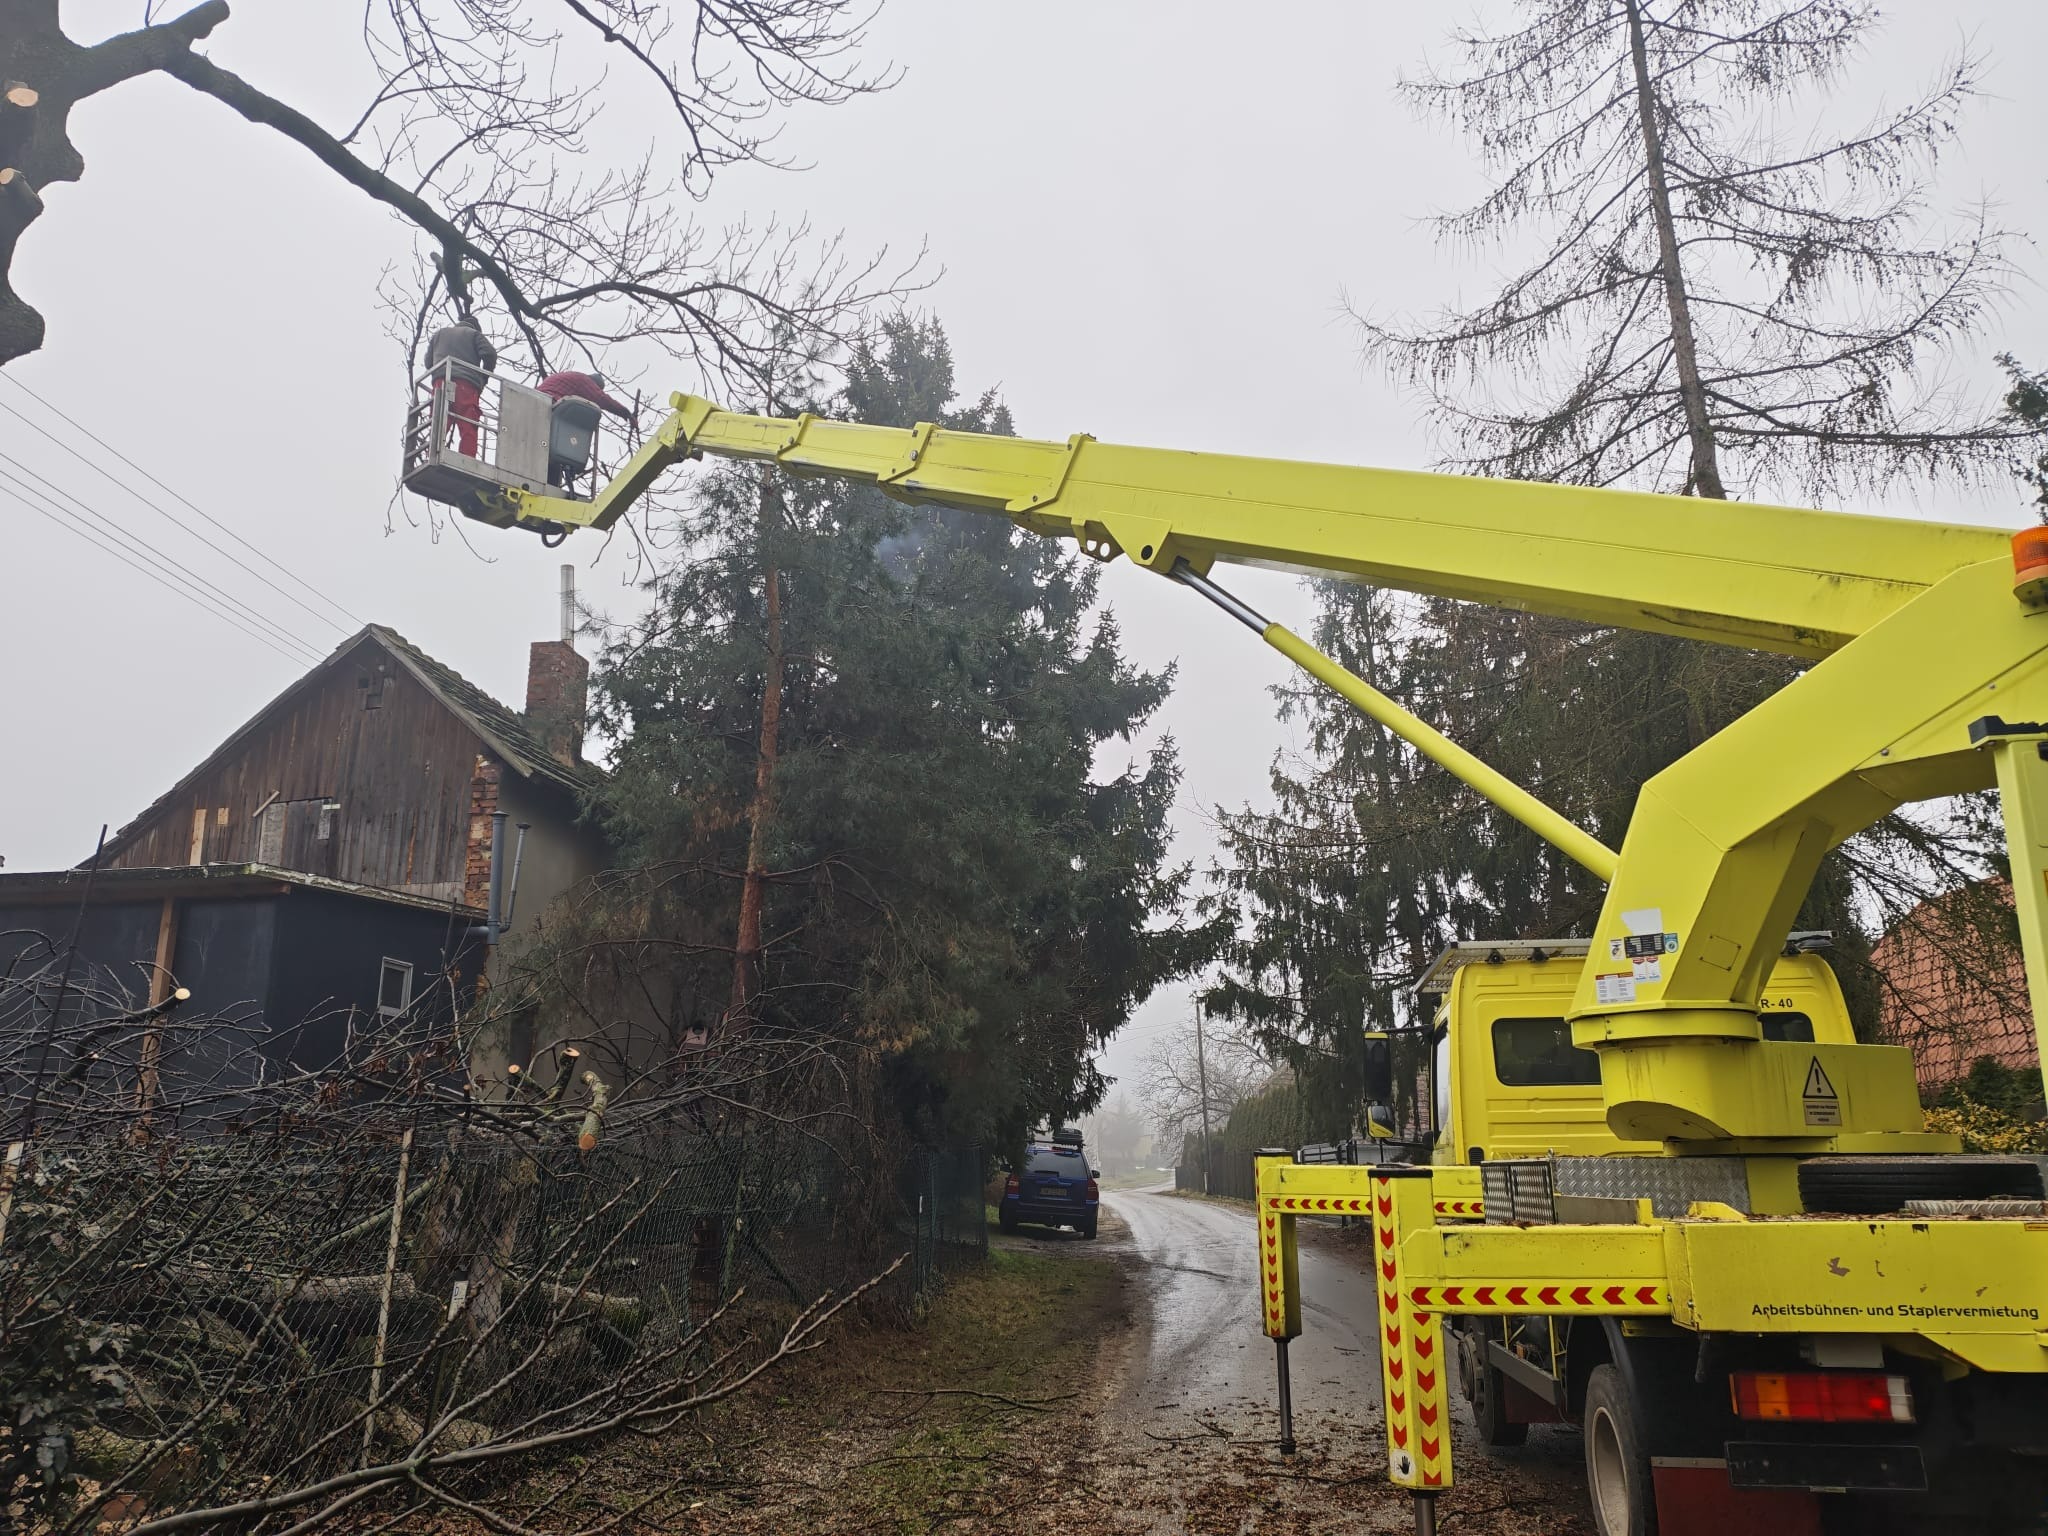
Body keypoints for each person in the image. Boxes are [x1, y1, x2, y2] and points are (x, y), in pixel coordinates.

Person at [424, 312, 498, 457]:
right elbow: (490, 354)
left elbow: (428, 363)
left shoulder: (439, 334)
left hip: (440, 383)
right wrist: (483, 378)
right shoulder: (474, 334)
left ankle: (432, 455)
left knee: (438, 424)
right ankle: (466, 459)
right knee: (468, 425)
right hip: (465, 384)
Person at [535, 369, 636, 425]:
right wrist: (626, 414)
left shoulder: (571, 376)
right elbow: (602, 399)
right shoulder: (585, 381)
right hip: (549, 405)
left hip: (535, 400)